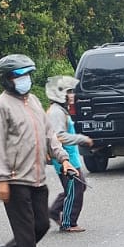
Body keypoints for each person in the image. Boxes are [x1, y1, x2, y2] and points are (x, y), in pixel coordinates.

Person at [0, 54, 79, 247]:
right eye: (19, 76)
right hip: (15, 180)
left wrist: (64, 160)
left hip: (37, 177)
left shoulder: (34, 102)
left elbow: (50, 135)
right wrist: (1, 179)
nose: (24, 80)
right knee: (26, 231)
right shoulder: (1, 107)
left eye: (26, 75)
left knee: (41, 224)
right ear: (7, 79)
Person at [44, 75, 92, 232]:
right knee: (76, 187)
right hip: (65, 159)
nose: (72, 95)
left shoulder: (61, 111)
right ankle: (68, 222)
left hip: (70, 158)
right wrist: (81, 139)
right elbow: (59, 136)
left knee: (73, 188)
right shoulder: (56, 113)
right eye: (68, 92)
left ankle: (55, 211)